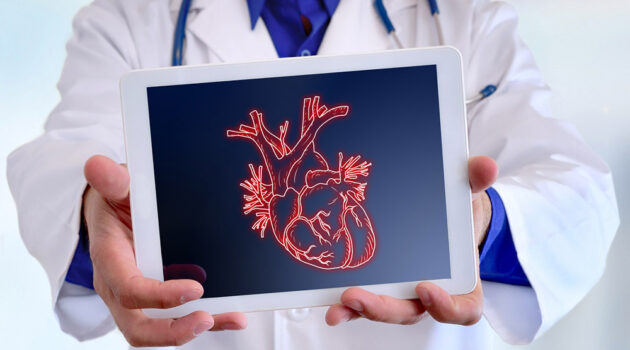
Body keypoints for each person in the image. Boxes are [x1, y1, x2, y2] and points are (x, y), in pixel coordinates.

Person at [7, 0, 619, 349]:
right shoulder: (131, 19)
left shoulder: (464, 17)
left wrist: (481, 225)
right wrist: (93, 219)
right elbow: (64, 159)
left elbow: (581, 195)